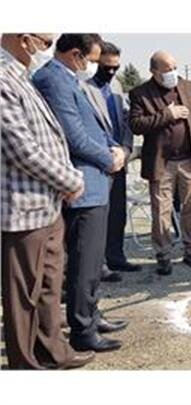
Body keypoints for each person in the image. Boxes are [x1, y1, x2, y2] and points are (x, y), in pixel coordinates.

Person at [1, 33, 95, 369]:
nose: (47, 50)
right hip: (23, 208)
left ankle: (53, 351)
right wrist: (70, 180)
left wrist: (64, 183)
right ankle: (26, 366)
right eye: (44, 41)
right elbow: (21, 149)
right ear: (24, 39)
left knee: (48, 287)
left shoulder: (20, 76)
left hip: (48, 203)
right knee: (23, 295)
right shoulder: (2, 79)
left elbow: (49, 138)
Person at [33, 34, 127, 352]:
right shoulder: (53, 80)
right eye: (92, 59)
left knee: (91, 261)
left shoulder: (66, 77)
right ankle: (83, 330)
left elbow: (93, 128)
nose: (93, 67)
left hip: (95, 183)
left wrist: (113, 147)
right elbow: (73, 135)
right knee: (83, 263)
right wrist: (109, 158)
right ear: (76, 55)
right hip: (82, 184)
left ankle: (91, 314)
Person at [128, 50, 191, 275]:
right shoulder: (140, 93)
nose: (173, 73)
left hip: (189, 161)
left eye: (175, 67)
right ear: (154, 72)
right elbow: (136, 124)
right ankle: (163, 255)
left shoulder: (188, 87)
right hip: (161, 163)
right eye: (167, 70)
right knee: (161, 211)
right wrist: (168, 114)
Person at [89, 41, 141, 278]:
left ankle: (116, 256)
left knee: (117, 213)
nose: (111, 72)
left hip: (120, 161)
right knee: (99, 218)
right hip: (98, 163)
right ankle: (98, 266)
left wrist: (126, 150)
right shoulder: (83, 88)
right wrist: (107, 154)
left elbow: (125, 122)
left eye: (115, 67)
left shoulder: (117, 87)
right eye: (106, 67)